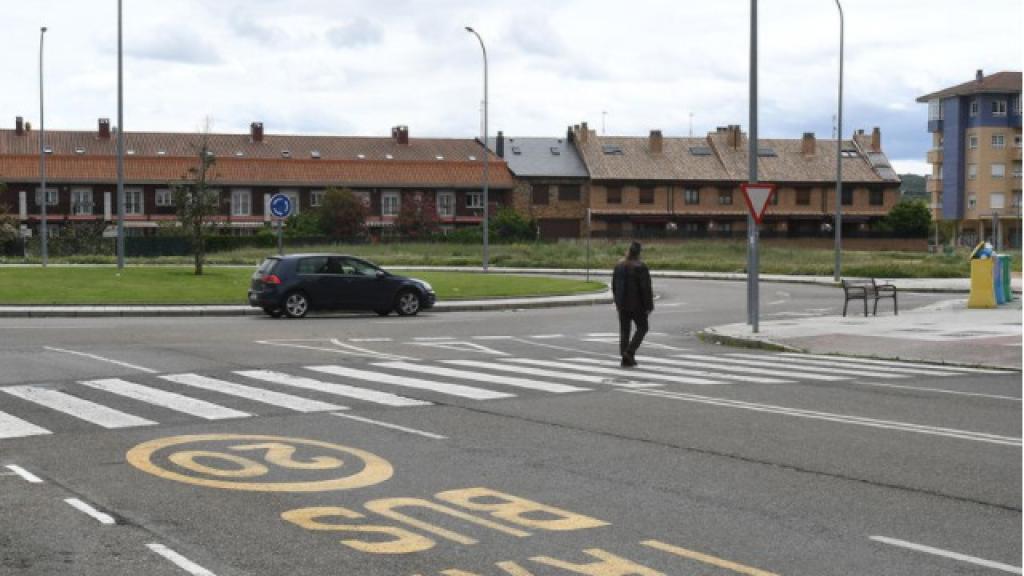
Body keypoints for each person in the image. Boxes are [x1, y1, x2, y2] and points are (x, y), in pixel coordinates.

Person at [612, 241, 654, 367]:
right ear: (639, 253)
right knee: (643, 328)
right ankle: (629, 353)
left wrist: (617, 302)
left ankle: (625, 356)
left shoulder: (619, 265)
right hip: (638, 305)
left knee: (625, 331)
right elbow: (645, 288)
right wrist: (649, 306)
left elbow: (614, 285)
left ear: (628, 251)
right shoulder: (641, 267)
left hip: (622, 304)